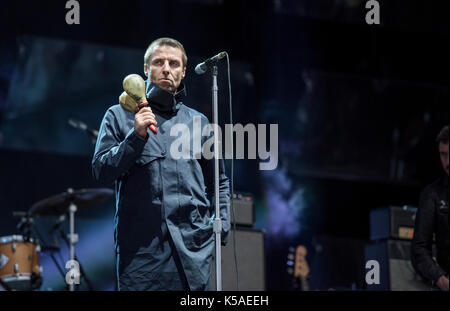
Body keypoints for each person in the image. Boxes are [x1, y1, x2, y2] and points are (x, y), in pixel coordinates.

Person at [92, 37, 230, 291]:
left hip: (193, 253)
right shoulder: (118, 115)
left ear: (183, 72)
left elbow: (219, 181)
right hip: (142, 257)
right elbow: (101, 170)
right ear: (146, 69)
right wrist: (135, 137)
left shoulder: (199, 122)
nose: (167, 68)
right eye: (159, 62)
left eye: (174, 63)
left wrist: (220, 222)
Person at [412, 125, 449, 291]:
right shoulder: (432, 194)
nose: (448, 162)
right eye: (443, 155)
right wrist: (440, 279)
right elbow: (419, 249)